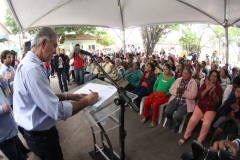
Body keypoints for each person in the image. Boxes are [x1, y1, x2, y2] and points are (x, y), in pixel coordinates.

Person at [13, 27, 99, 160]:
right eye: (54, 46)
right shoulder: (33, 69)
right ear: (42, 43)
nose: (55, 51)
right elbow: (56, 110)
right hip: (42, 136)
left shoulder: (29, 64)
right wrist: (86, 101)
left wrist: (69, 96)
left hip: (35, 134)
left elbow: (42, 97)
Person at [179, 70, 223, 145]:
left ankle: (199, 140)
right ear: (209, 76)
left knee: (206, 124)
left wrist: (213, 94)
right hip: (200, 106)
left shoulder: (219, 89)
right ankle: (186, 135)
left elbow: (217, 102)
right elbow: (200, 97)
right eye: (212, 75)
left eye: (215, 76)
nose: (213, 78)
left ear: (218, 79)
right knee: (192, 120)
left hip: (211, 109)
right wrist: (207, 90)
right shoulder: (204, 84)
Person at [0, 75, 29, 160]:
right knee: (14, 156)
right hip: (3, 135)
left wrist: (2, 79)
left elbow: (5, 87)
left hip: (10, 127)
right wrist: (1, 109)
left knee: (18, 152)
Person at [165, 68, 198, 133]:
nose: (184, 75)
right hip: (176, 99)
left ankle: (177, 124)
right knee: (167, 111)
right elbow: (170, 90)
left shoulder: (193, 83)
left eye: (187, 73)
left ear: (190, 75)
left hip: (185, 102)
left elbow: (193, 96)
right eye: (183, 73)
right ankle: (170, 120)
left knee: (177, 116)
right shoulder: (178, 80)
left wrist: (183, 92)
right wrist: (177, 91)